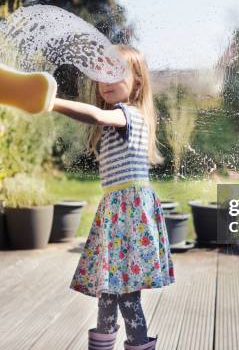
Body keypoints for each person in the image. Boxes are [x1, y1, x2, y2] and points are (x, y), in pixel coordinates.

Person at [52, 44, 175, 350]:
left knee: (128, 296)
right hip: (118, 214)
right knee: (108, 294)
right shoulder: (120, 117)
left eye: (116, 73)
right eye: (101, 73)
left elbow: (94, 115)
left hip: (129, 217)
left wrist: (51, 102)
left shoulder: (128, 115)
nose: (106, 80)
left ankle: (138, 343)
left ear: (137, 82)